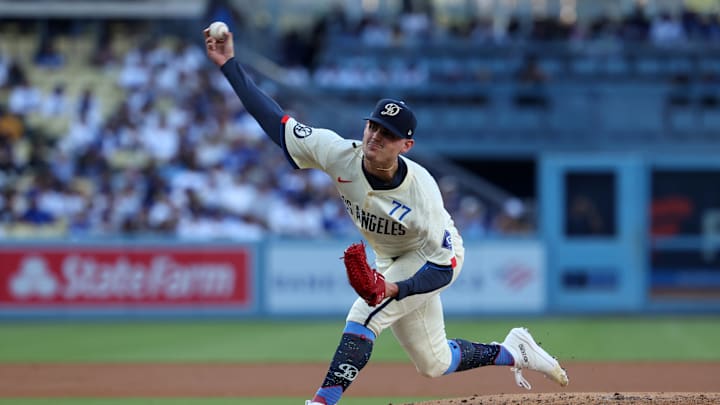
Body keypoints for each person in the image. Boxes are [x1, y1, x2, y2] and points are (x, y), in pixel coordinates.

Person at [203, 27, 569, 405]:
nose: (375, 136)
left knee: (365, 314)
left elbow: (442, 267)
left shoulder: (421, 192)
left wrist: (396, 288)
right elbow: (277, 124)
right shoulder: (338, 153)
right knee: (434, 362)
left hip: (434, 256)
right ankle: (513, 351)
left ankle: (321, 402)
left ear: (406, 145)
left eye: (387, 133)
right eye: (373, 125)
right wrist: (229, 65)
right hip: (391, 258)